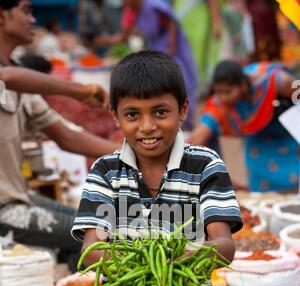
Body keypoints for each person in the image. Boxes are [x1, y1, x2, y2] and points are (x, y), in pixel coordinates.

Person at [72, 51, 242, 286]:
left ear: (182, 109)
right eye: (132, 114)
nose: (147, 126)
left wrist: (181, 258)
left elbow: (224, 246)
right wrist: (142, 265)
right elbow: (92, 249)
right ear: (116, 117)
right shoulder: (105, 171)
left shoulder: (205, 166)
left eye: (160, 112)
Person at [0, 0, 118, 271]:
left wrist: (131, 155)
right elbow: (5, 77)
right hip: (4, 208)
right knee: (91, 238)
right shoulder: (11, 77)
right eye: (27, 11)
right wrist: (77, 90)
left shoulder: (21, 78)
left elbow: (67, 136)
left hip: (17, 197)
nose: (33, 20)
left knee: (92, 229)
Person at [189, 60, 299, 192]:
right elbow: (198, 136)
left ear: (243, 86)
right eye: (218, 92)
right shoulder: (220, 105)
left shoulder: (277, 82)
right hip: (259, 150)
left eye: (228, 92)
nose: (223, 98)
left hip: (289, 140)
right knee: (261, 202)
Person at [95, 0, 199, 129]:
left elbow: (172, 22)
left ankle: (185, 122)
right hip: (156, 46)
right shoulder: (129, 12)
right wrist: (108, 41)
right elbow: (124, 36)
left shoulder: (153, 5)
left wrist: (171, 43)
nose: (123, 3)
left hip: (172, 46)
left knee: (182, 80)